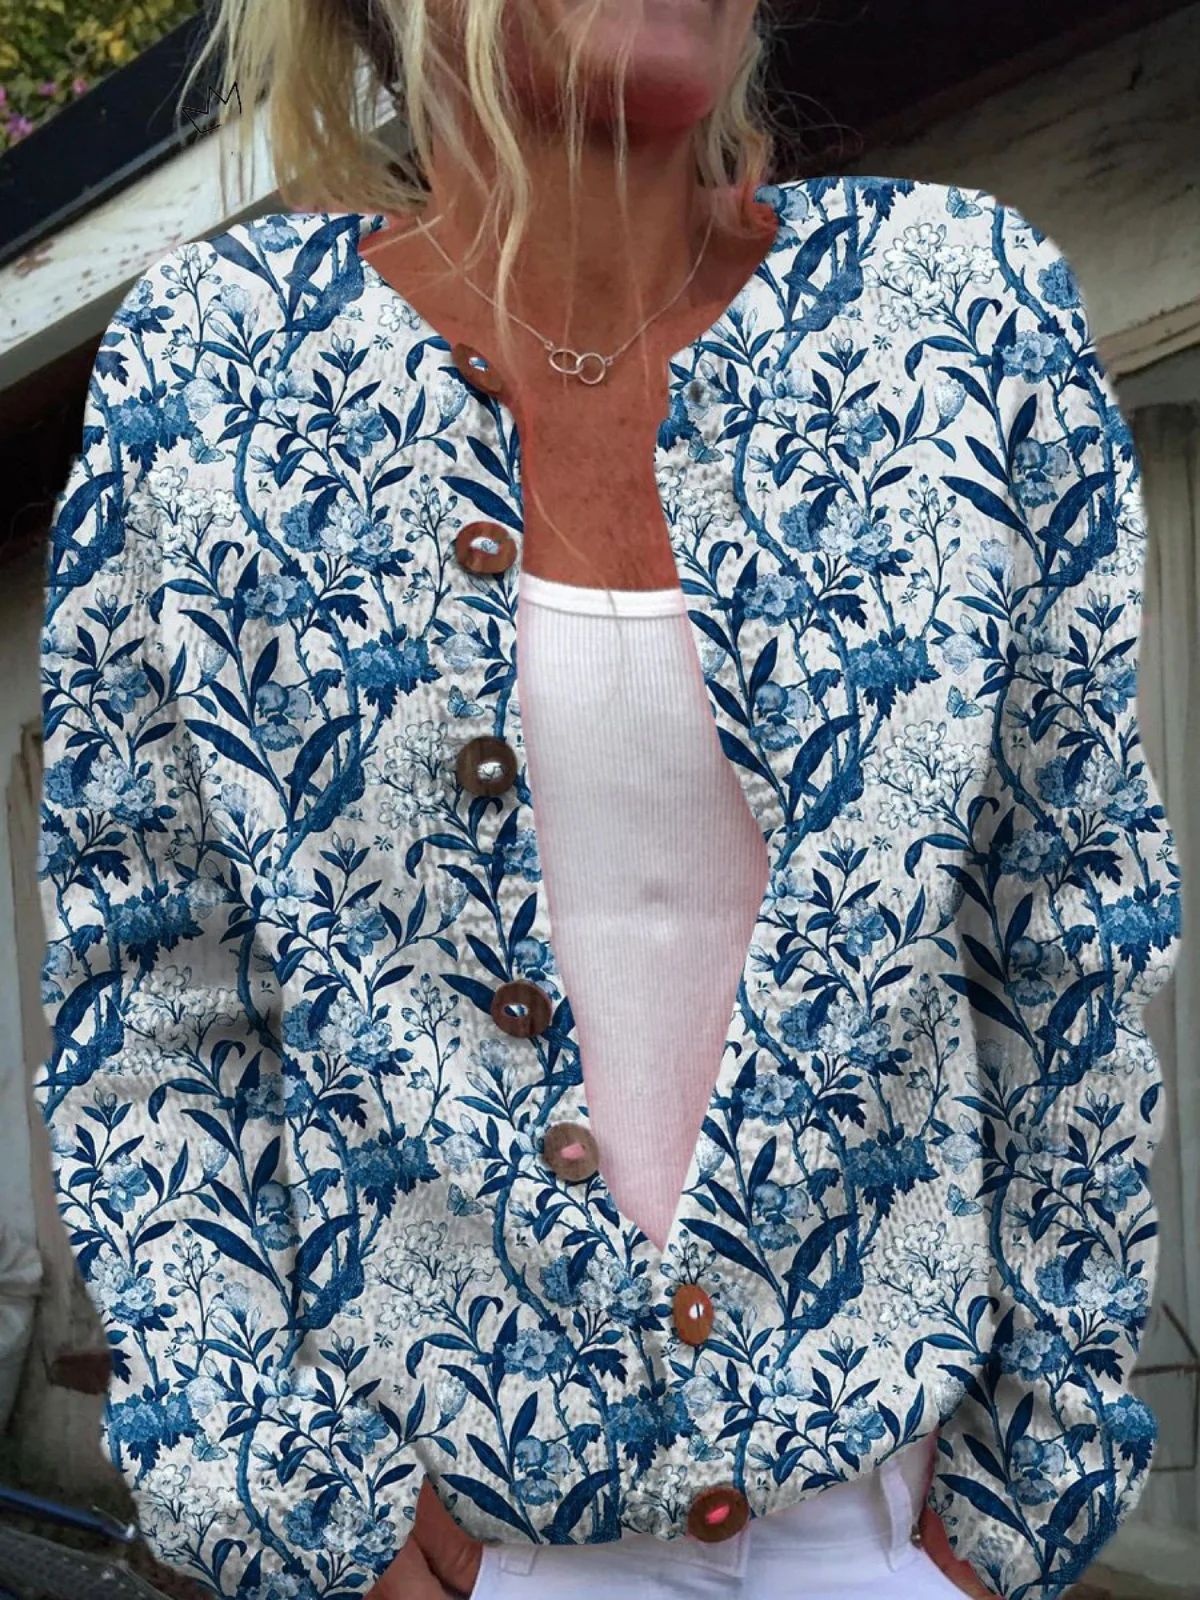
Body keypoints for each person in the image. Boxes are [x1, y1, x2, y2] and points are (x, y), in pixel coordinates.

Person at [34, 3, 1181, 1599]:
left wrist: (1017, 1509)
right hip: (451, 1551)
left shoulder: (958, 311)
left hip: (886, 1535)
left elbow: (1073, 931)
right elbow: (151, 995)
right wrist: (286, 1503)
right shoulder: (214, 371)